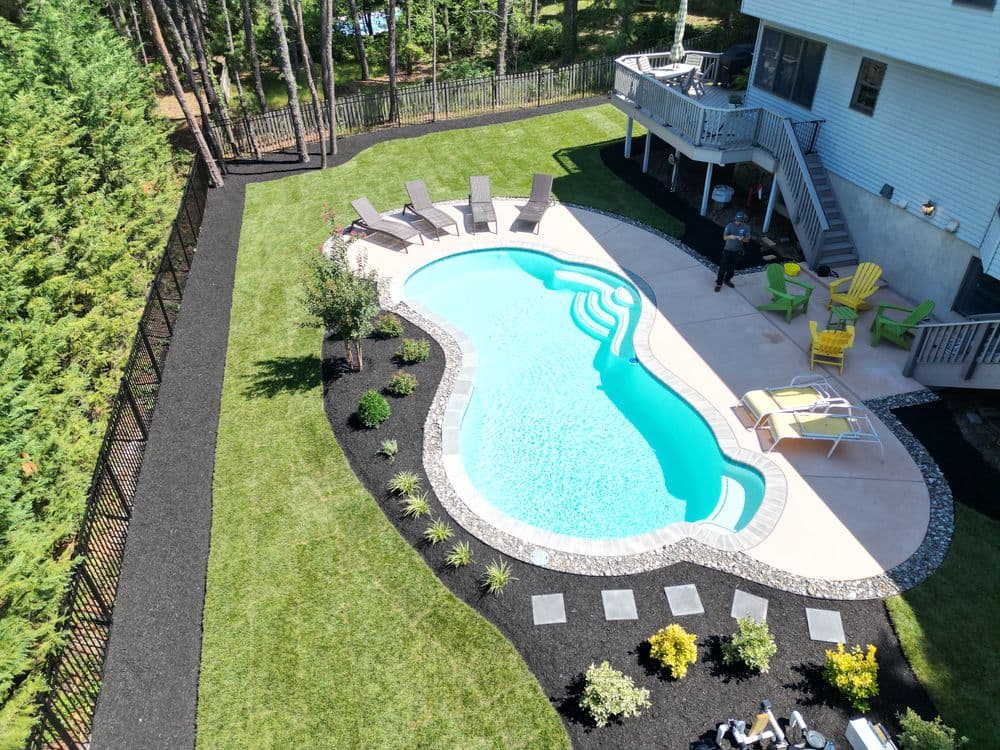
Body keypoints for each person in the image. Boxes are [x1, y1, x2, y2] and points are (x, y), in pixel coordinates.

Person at [715, 211, 751, 292]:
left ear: (743, 220)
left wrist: (743, 239)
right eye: (737, 219)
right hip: (727, 250)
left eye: (740, 220)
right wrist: (730, 236)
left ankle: (727, 280)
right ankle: (718, 283)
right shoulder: (729, 226)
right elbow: (724, 237)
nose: (738, 221)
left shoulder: (746, 227)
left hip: (737, 251)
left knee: (731, 269)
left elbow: (747, 240)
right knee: (722, 268)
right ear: (735, 218)